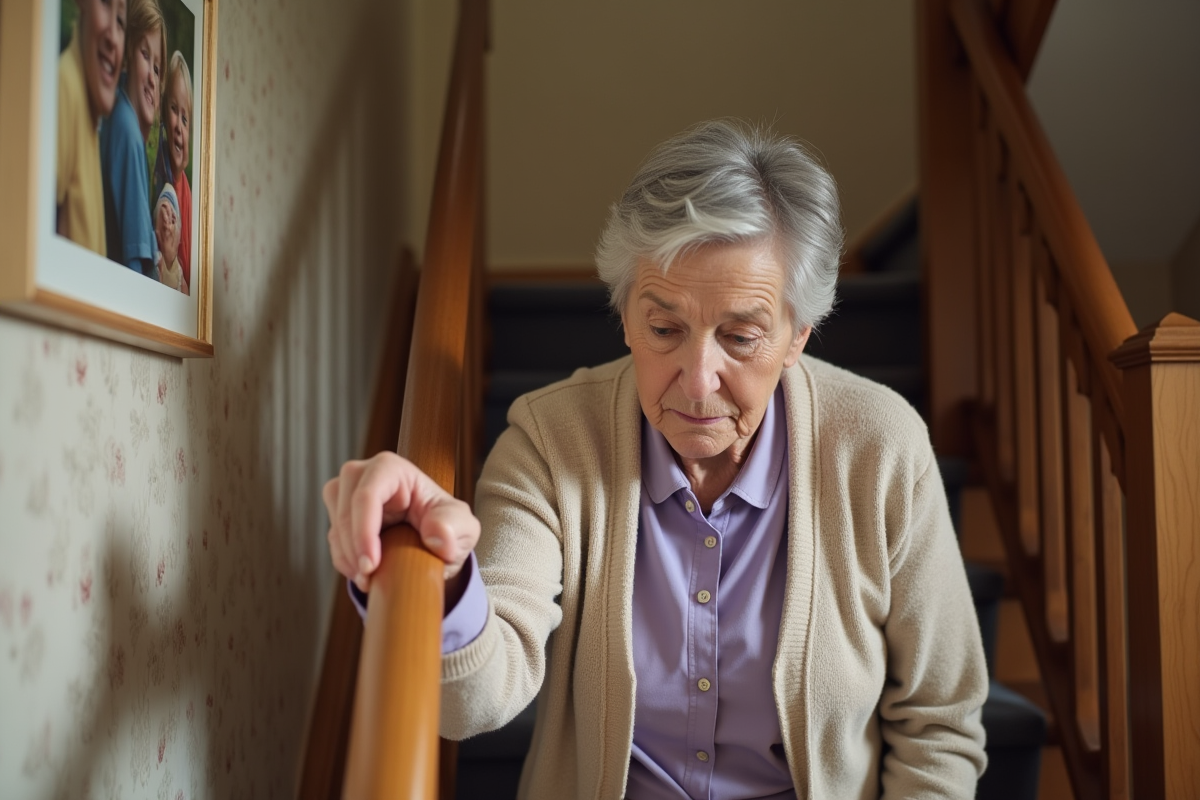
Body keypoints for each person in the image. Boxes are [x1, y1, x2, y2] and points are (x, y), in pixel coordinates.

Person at [323, 120, 988, 799]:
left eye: (741, 336)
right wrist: (444, 577)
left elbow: (940, 722)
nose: (697, 379)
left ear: (798, 337)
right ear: (624, 315)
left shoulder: (880, 446)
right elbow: (473, 704)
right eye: (664, 328)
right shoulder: (551, 440)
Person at [100, 0, 165, 279]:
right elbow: (137, 271)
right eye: (144, 55)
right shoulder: (129, 134)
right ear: (127, 51)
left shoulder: (116, 112)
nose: (152, 77)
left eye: (158, 68)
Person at [56, 0, 127, 254]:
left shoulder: (89, 113)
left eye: (121, 22)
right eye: (105, 4)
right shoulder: (65, 87)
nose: (113, 38)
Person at [155, 51, 194, 288]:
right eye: (172, 109)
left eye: (185, 118)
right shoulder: (159, 179)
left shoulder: (187, 191)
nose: (179, 126)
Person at [153, 183, 186, 294]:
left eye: (172, 219)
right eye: (163, 215)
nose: (167, 225)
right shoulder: (152, 264)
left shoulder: (181, 280)